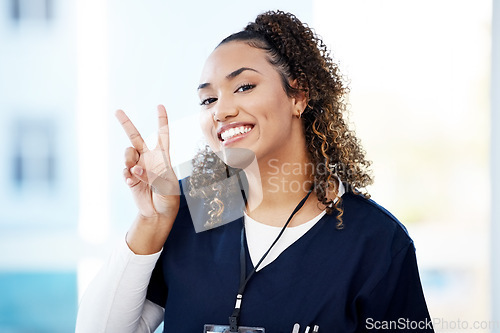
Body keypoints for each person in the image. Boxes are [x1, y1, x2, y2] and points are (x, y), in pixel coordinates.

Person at [76, 10, 434, 333]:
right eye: (208, 99)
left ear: (298, 96)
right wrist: (151, 223)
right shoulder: (193, 207)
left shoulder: (375, 242)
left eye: (244, 86)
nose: (221, 110)